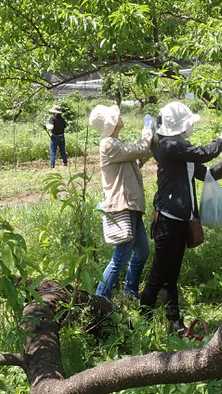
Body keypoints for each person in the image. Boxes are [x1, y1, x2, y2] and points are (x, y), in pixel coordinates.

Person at [139, 101, 222, 337]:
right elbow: (204, 153)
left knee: (171, 273)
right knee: (159, 273)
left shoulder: (182, 150)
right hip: (167, 219)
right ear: (179, 126)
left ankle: (174, 322)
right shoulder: (169, 147)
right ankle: (142, 319)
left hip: (181, 220)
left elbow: (207, 174)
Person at [89, 104, 155, 300]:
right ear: (111, 123)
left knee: (142, 252)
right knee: (121, 257)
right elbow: (139, 149)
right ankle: (100, 300)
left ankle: (130, 292)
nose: (120, 117)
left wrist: (153, 143)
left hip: (131, 204)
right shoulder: (108, 144)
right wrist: (147, 131)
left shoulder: (116, 143)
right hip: (121, 205)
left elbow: (137, 159)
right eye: (116, 116)